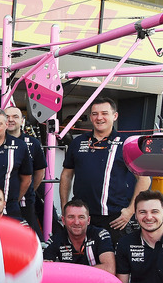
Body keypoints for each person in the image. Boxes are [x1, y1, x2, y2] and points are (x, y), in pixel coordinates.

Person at [60, 97, 151, 245]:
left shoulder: (126, 144)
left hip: (114, 218)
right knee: (81, 261)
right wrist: (65, 207)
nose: (99, 117)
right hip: (81, 217)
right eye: (95, 114)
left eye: (104, 113)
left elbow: (144, 178)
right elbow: (66, 175)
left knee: (112, 264)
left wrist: (130, 210)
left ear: (114, 116)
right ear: (90, 117)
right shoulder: (78, 142)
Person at [43, 199, 115, 274]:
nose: (76, 222)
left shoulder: (100, 234)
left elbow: (109, 269)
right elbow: (45, 270)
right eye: (71, 217)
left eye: (81, 217)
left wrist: (70, 272)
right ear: (63, 220)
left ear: (88, 220)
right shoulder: (55, 239)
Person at [6, 106, 46, 236]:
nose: (10, 120)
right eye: (7, 117)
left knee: (27, 240)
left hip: (25, 203)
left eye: (15, 117)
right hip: (0, 203)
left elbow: (40, 173)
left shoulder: (33, 143)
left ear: (22, 120)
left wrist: (26, 191)